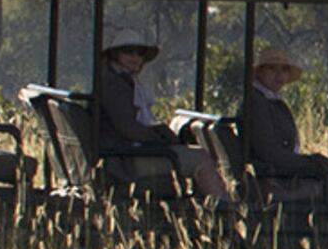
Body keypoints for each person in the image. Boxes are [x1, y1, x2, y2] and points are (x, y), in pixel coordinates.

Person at [89, 38, 236, 207]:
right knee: (201, 158)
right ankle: (226, 212)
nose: (135, 57)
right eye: (129, 51)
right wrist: (161, 138)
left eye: (140, 53)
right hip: (124, 159)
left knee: (194, 153)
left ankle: (210, 210)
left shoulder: (124, 81)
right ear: (115, 55)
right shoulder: (114, 85)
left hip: (127, 152)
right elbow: (129, 129)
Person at [239, 44, 328, 206]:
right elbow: (270, 153)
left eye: (284, 70)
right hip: (276, 183)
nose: (279, 75)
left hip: (282, 176)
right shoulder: (257, 103)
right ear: (260, 72)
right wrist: (314, 165)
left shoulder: (270, 101)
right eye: (272, 69)